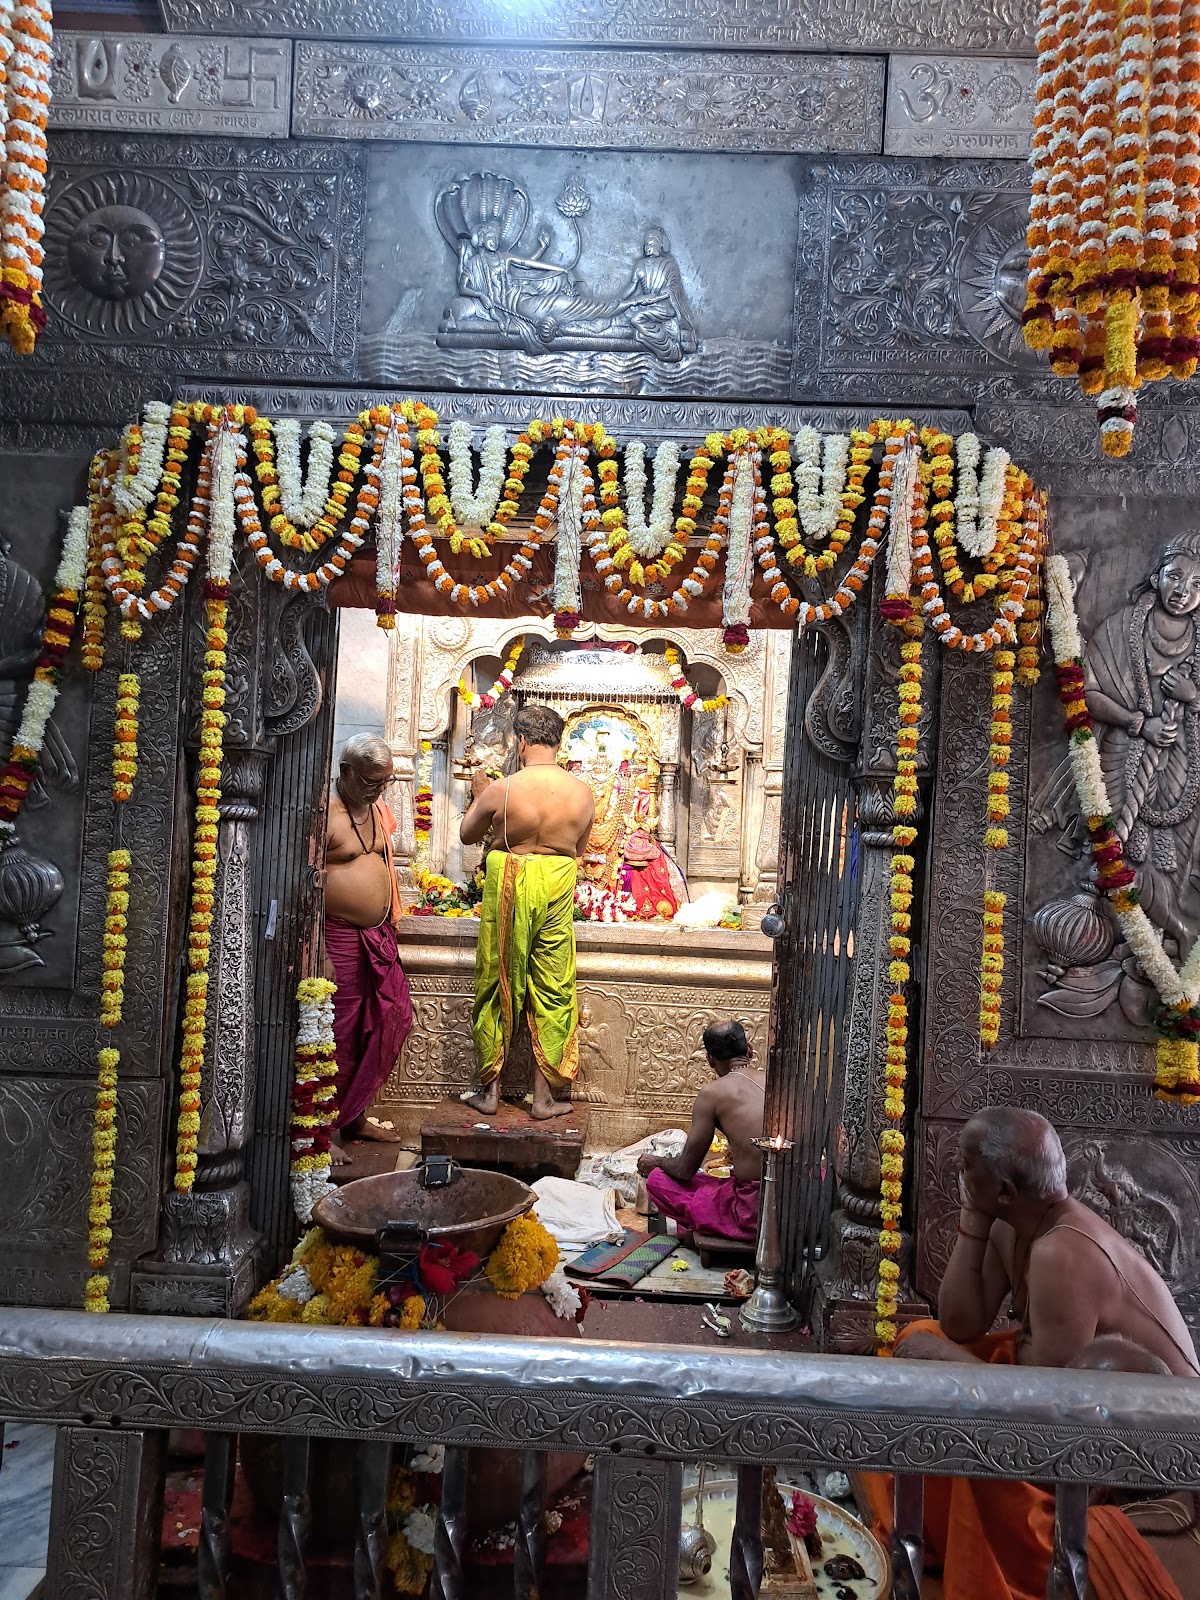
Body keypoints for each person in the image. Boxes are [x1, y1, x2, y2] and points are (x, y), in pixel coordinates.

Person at [859, 1106, 1197, 1600]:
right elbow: (960, 1323)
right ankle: (930, 1530)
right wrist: (973, 1220)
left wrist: (951, 1363)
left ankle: (998, 1564)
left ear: (1005, 1191)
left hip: (1146, 1454)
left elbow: (1043, 1421)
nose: (958, 1175)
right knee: (921, 1338)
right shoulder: (1015, 1222)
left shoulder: (1063, 1251)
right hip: (1060, 1395)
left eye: (966, 1166)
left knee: (972, 1430)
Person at [459, 702, 595, 1120]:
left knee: (498, 978)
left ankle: (490, 1093)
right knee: (553, 987)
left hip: (510, 883)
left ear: (520, 740)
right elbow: (579, 850)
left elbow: (467, 835)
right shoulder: (582, 793)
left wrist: (479, 796)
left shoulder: (503, 789)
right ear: (558, 742)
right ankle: (543, 1099)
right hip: (557, 883)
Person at [322, 734, 414, 1160]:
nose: (379, 790)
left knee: (386, 1018)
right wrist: (319, 952)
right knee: (337, 1031)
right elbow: (303, 884)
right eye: (371, 781)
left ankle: (354, 1116)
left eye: (385, 782)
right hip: (336, 937)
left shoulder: (376, 808)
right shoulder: (325, 811)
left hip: (376, 936)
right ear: (345, 771)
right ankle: (320, 1131)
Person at [636, 1020, 764, 1244]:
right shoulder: (777, 1081)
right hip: (800, 1201)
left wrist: (655, 1162)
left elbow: (684, 1170)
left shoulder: (712, 1094)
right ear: (749, 1050)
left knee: (657, 1180)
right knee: (710, 1183)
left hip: (752, 1211)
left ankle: (717, 1227)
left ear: (710, 1060)